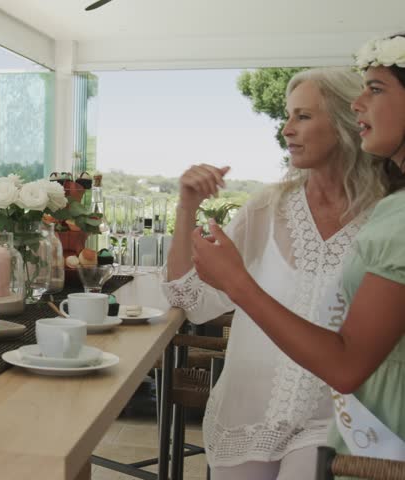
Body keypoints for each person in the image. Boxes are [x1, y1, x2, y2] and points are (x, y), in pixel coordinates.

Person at [162, 67, 389, 479]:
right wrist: (186, 206)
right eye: (287, 116)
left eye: (303, 116)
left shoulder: (387, 217)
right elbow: (190, 300)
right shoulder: (267, 207)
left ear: (344, 123)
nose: (286, 129)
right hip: (245, 412)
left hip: (335, 419)